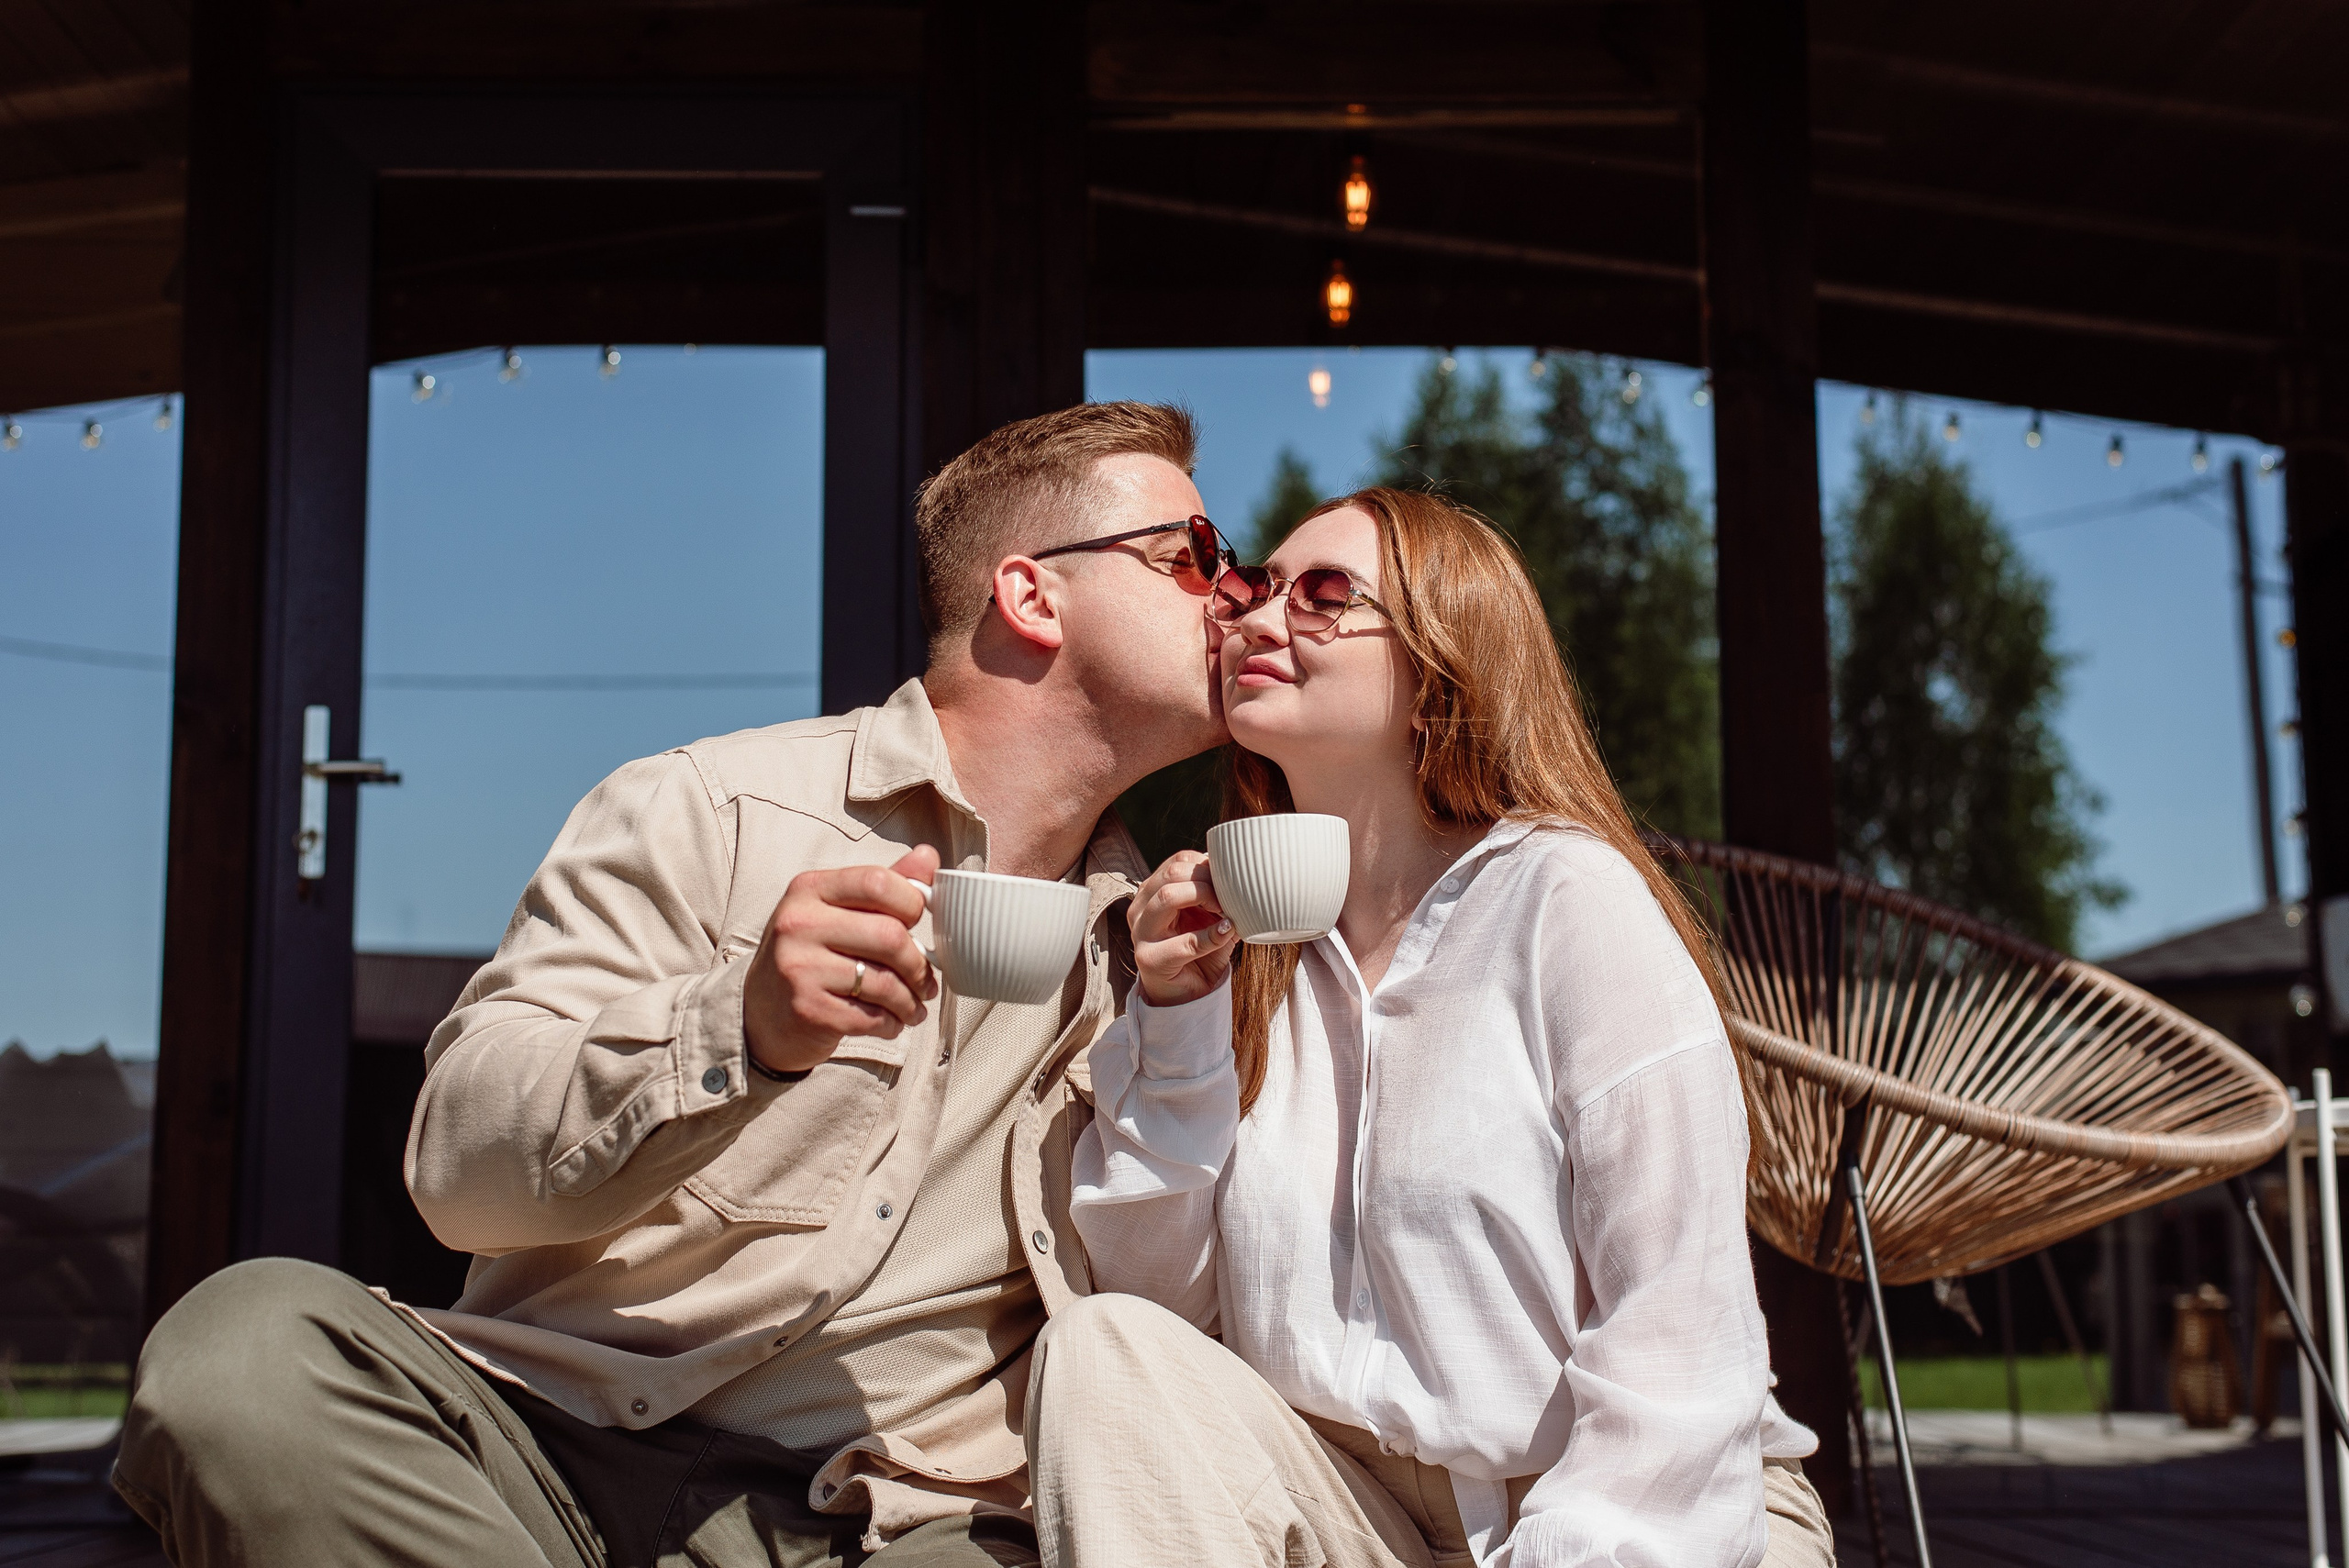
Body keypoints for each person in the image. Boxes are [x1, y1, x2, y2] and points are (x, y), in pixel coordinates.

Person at [112, 402, 1245, 1568]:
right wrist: (737, 1030)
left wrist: (1179, 1024)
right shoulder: (709, 809)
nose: (1237, 593)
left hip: (889, 1519)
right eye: (1195, 556)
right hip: (546, 1454)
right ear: (1032, 595)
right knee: (241, 1352)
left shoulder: (1170, 957)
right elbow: (456, 1166)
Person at [1041, 487, 1836, 1567]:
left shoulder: (1567, 900)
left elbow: (1678, 1336)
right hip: (1355, 1512)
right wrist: (1174, 1022)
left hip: (1643, 1516)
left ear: (1439, 666)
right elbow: (1163, 1314)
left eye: (1323, 594)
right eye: (1257, 587)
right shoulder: (1242, 943)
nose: (1258, 618)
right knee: (1103, 1346)